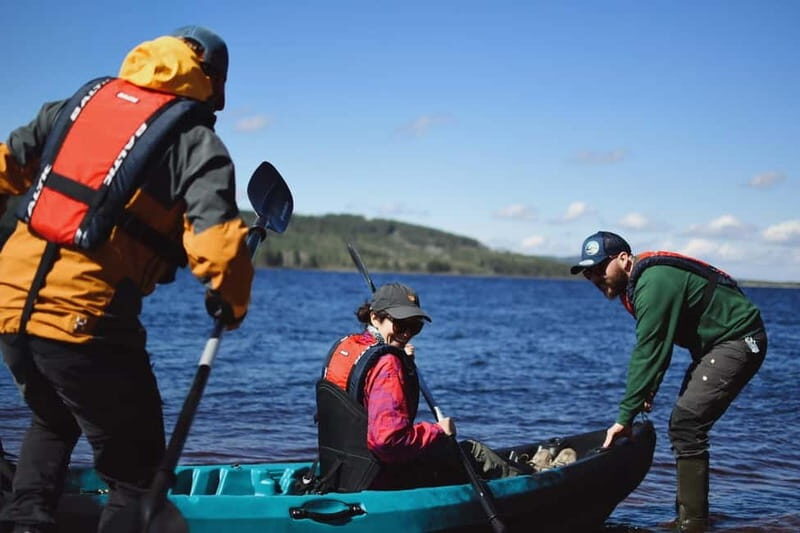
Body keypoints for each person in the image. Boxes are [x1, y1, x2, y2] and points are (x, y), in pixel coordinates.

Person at [0, 26, 254, 532]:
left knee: (54, 418)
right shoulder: (196, 142)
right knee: (137, 476)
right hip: (83, 317)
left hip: (8, 304)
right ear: (212, 82)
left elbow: (5, 167)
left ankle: (25, 520)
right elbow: (217, 245)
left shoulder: (74, 106)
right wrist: (232, 301)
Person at [571, 231, 767, 532]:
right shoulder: (639, 284)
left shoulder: (653, 283)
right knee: (685, 425)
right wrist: (647, 390)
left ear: (623, 259)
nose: (595, 277)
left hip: (740, 340)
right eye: (588, 273)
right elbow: (658, 346)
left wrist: (625, 417)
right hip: (715, 346)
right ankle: (689, 519)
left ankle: (692, 524)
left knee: (686, 424)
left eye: (599, 268)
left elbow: (649, 351)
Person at [315, 282, 526, 492]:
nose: (407, 333)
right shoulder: (388, 364)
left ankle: (524, 470)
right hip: (381, 479)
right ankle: (528, 484)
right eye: (400, 324)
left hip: (344, 471)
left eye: (415, 326)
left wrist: (403, 361)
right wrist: (438, 431)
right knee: (475, 452)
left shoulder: (345, 346)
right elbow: (387, 442)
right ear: (375, 317)